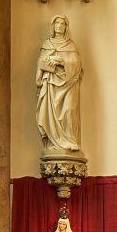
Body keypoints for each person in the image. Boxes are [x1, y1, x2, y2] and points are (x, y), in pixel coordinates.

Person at [36, 15, 84, 153]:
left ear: (66, 27)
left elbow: (77, 64)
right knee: (50, 114)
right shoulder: (47, 44)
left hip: (68, 85)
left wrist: (61, 61)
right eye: (56, 23)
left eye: (62, 23)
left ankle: (70, 140)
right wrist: (48, 59)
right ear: (53, 26)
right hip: (50, 85)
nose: (59, 26)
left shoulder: (71, 45)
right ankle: (52, 142)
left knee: (69, 111)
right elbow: (40, 63)